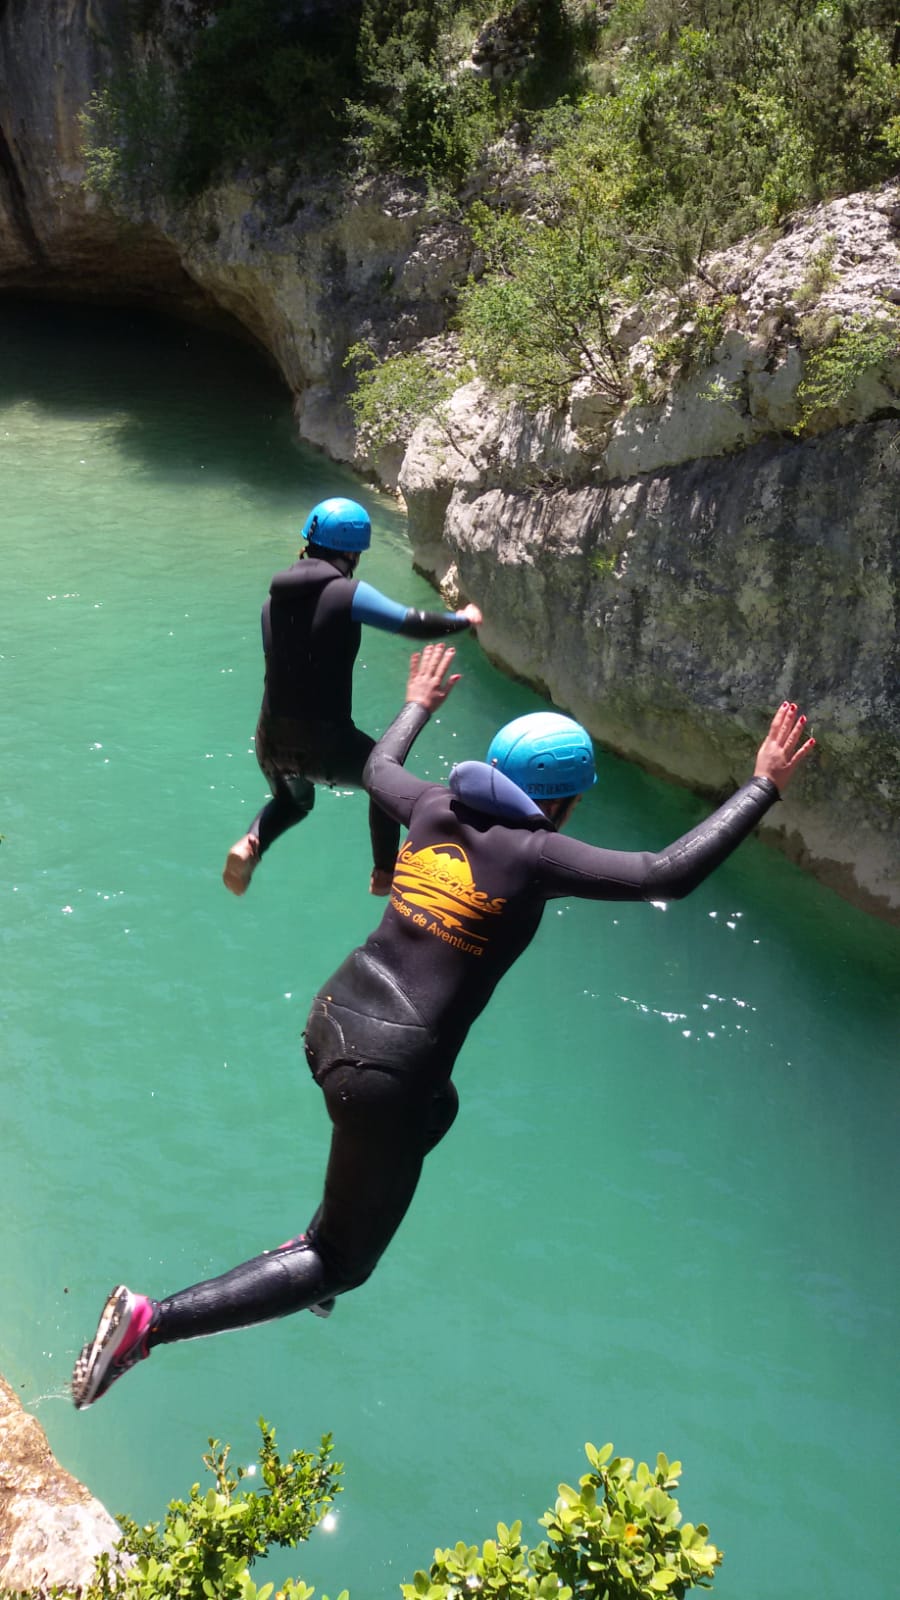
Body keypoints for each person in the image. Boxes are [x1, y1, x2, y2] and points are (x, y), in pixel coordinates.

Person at [72, 645, 814, 1409]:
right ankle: (151, 1322)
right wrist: (763, 785)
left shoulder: (429, 805)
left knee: (437, 1108)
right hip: (387, 1070)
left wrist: (419, 701)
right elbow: (667, 872)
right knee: (342, 1262)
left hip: (332, 1021)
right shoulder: (538, 853)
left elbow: (375, 769)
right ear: (559, 801)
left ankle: (319, 1246)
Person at [222, 496, 482, 898]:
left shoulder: (270, 604)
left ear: (309, 540)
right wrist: (462, 620)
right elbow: (409, 622)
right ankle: (384, 872)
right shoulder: (347, 593)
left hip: (270, 739)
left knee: (294, 804)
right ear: (353, 552)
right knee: (383, 771)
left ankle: (251, 842)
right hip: (324, 740)